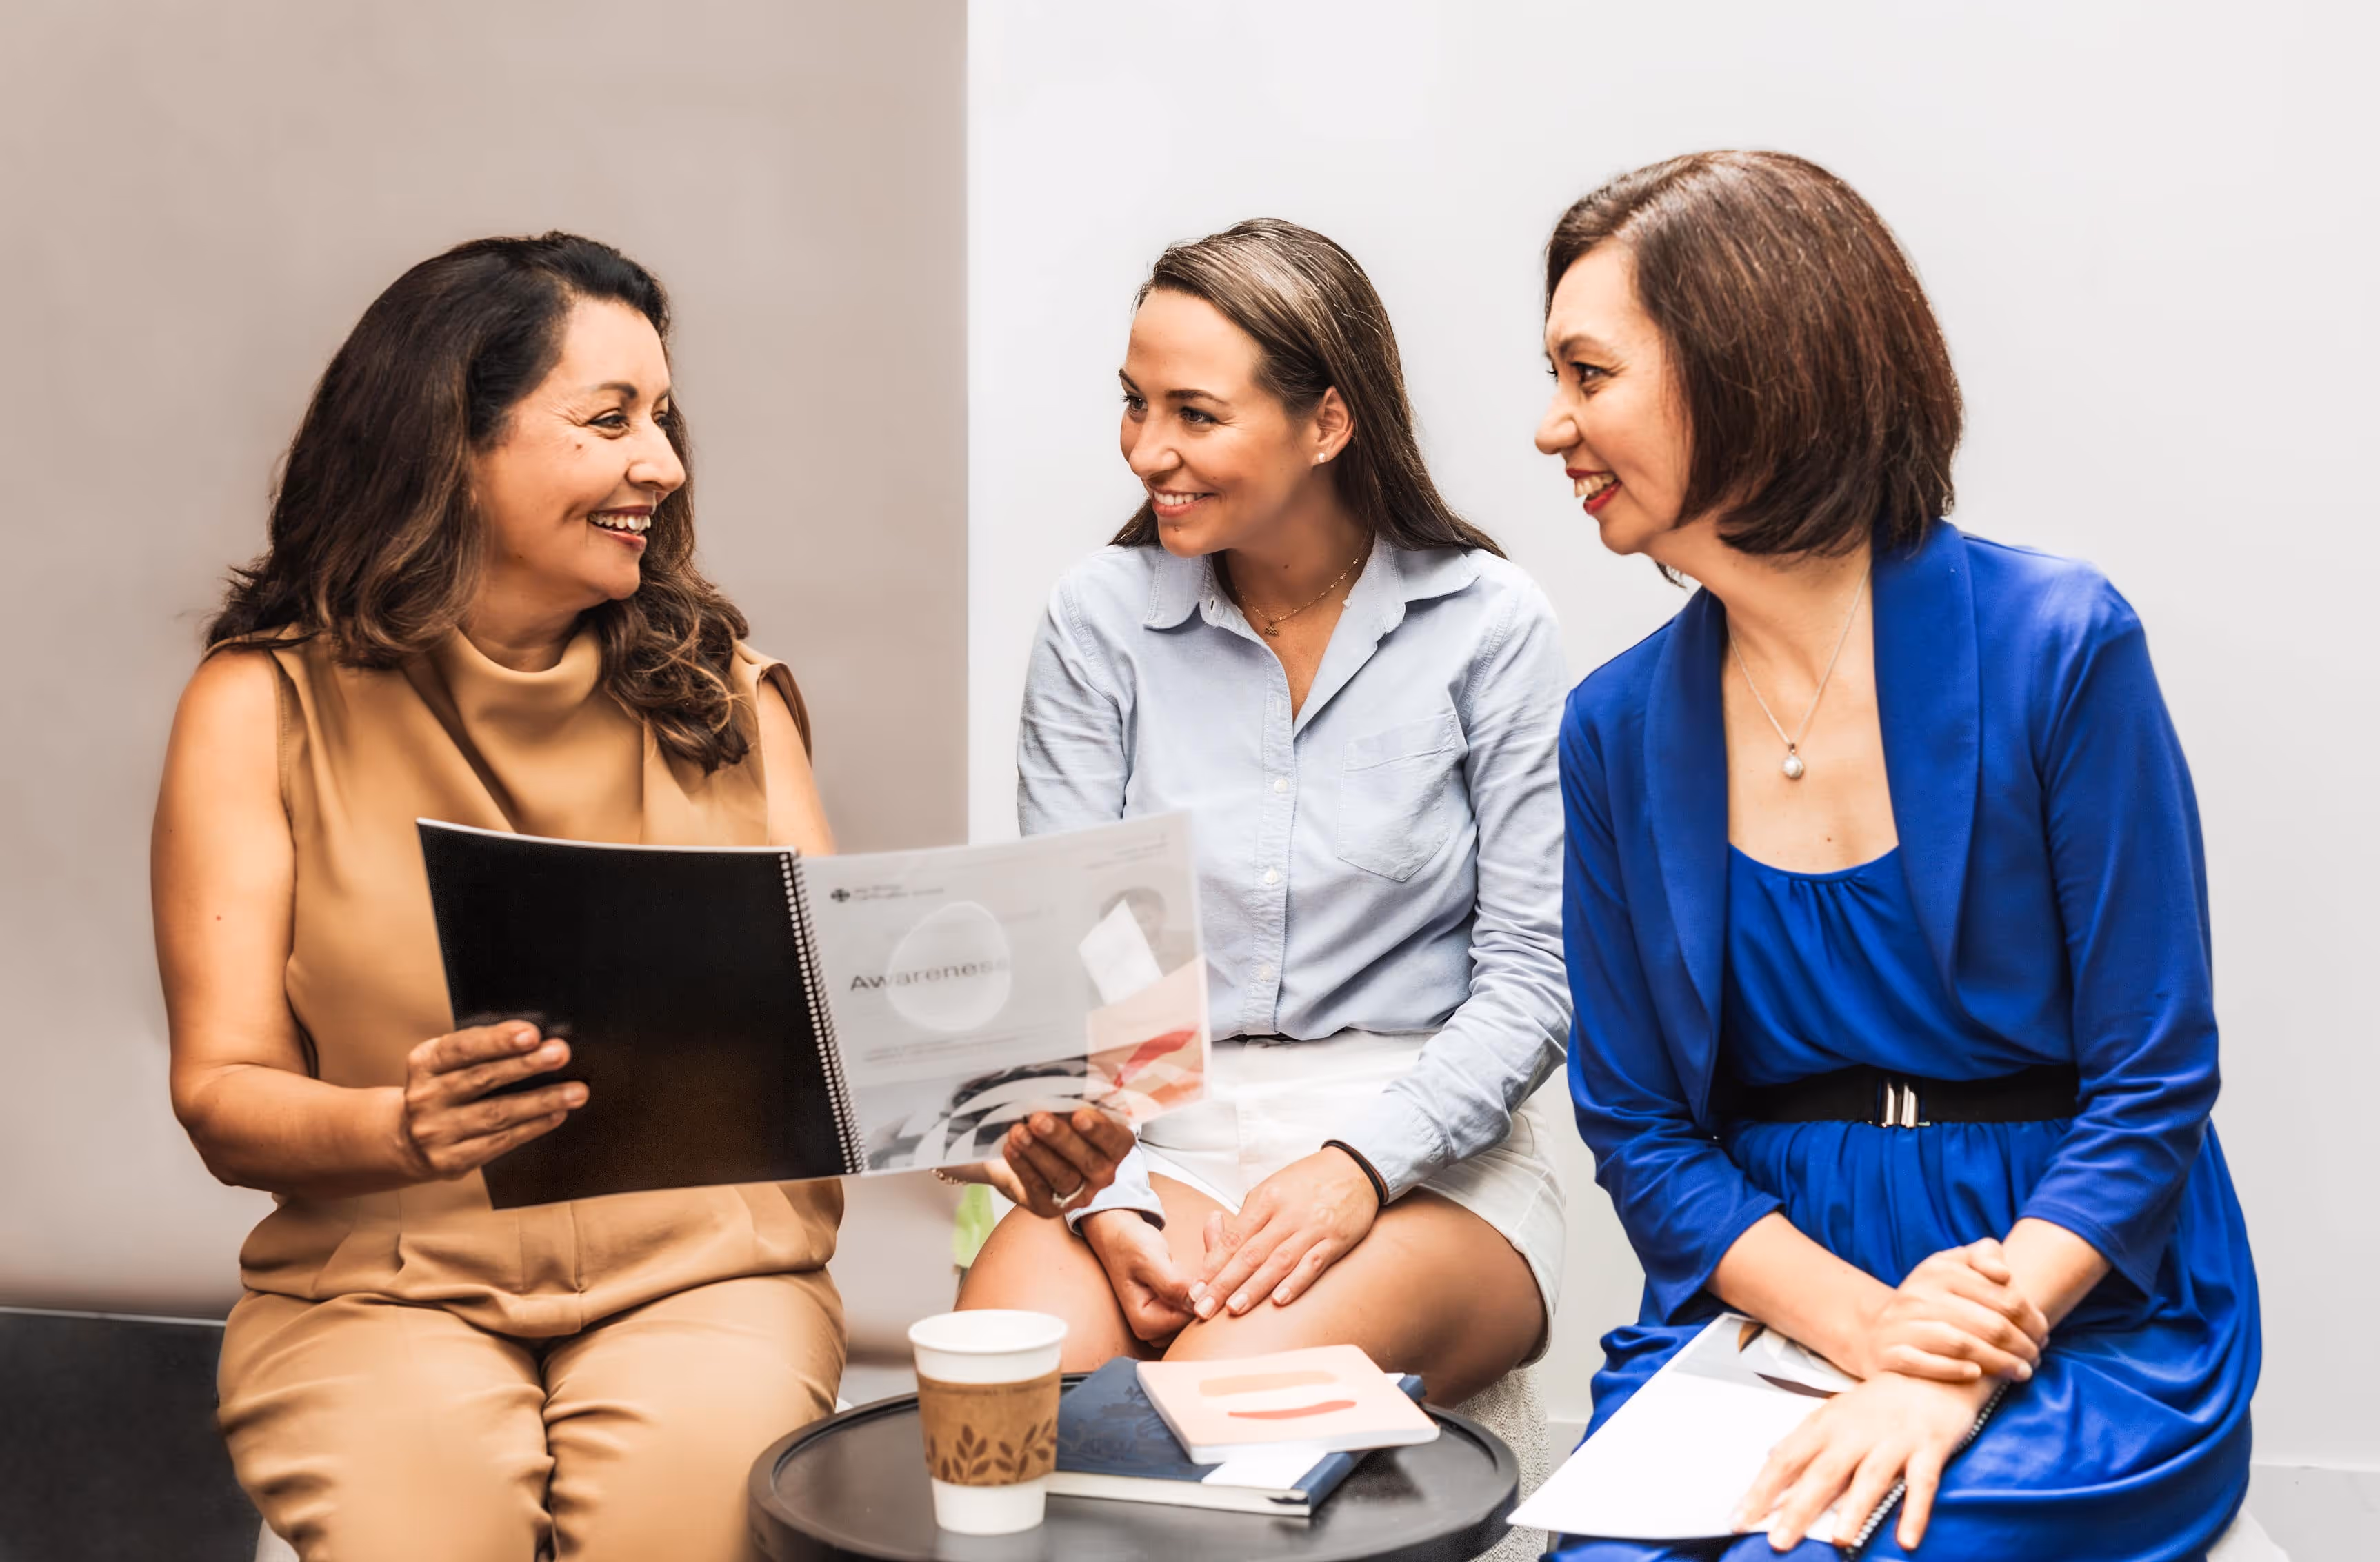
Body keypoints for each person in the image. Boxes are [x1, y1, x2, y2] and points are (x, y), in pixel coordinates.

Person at [152, 232, 1101, 1562]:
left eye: (662, 417)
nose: (661, 462)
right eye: (608, 422)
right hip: (382, 1293)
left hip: (709, 1282)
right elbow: (225, 1091)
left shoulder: (726, 696)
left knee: (686, 1529)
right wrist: (403, 1127)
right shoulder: (261, 708)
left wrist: (1004, 1125)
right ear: (449, 449)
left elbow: (855, 1040)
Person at [1540, 153, 2259, 1559]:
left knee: (1844, 1548)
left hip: (2070, 1297)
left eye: (1587, 373)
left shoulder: (2064, 646)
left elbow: (2153, 1080)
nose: (1550, 425)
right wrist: (1870, 1330)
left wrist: (1951, 1357)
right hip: (1776, 1298)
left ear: (1745, 369)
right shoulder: (1614, 728)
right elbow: (1642, 1131)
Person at [954, 219, 1569, 1407]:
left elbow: (1537, 974)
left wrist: (1358, 1168)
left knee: (1212, 1403)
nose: (1146, 450)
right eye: (1134, 405)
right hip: (1154, 1132)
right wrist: (1109, 1200)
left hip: (1419, 1148)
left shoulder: (1489, 625)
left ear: (1327, 424)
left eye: (1194, 412)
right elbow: (1073, 958)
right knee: (1008, 1391)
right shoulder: (1100, 620)